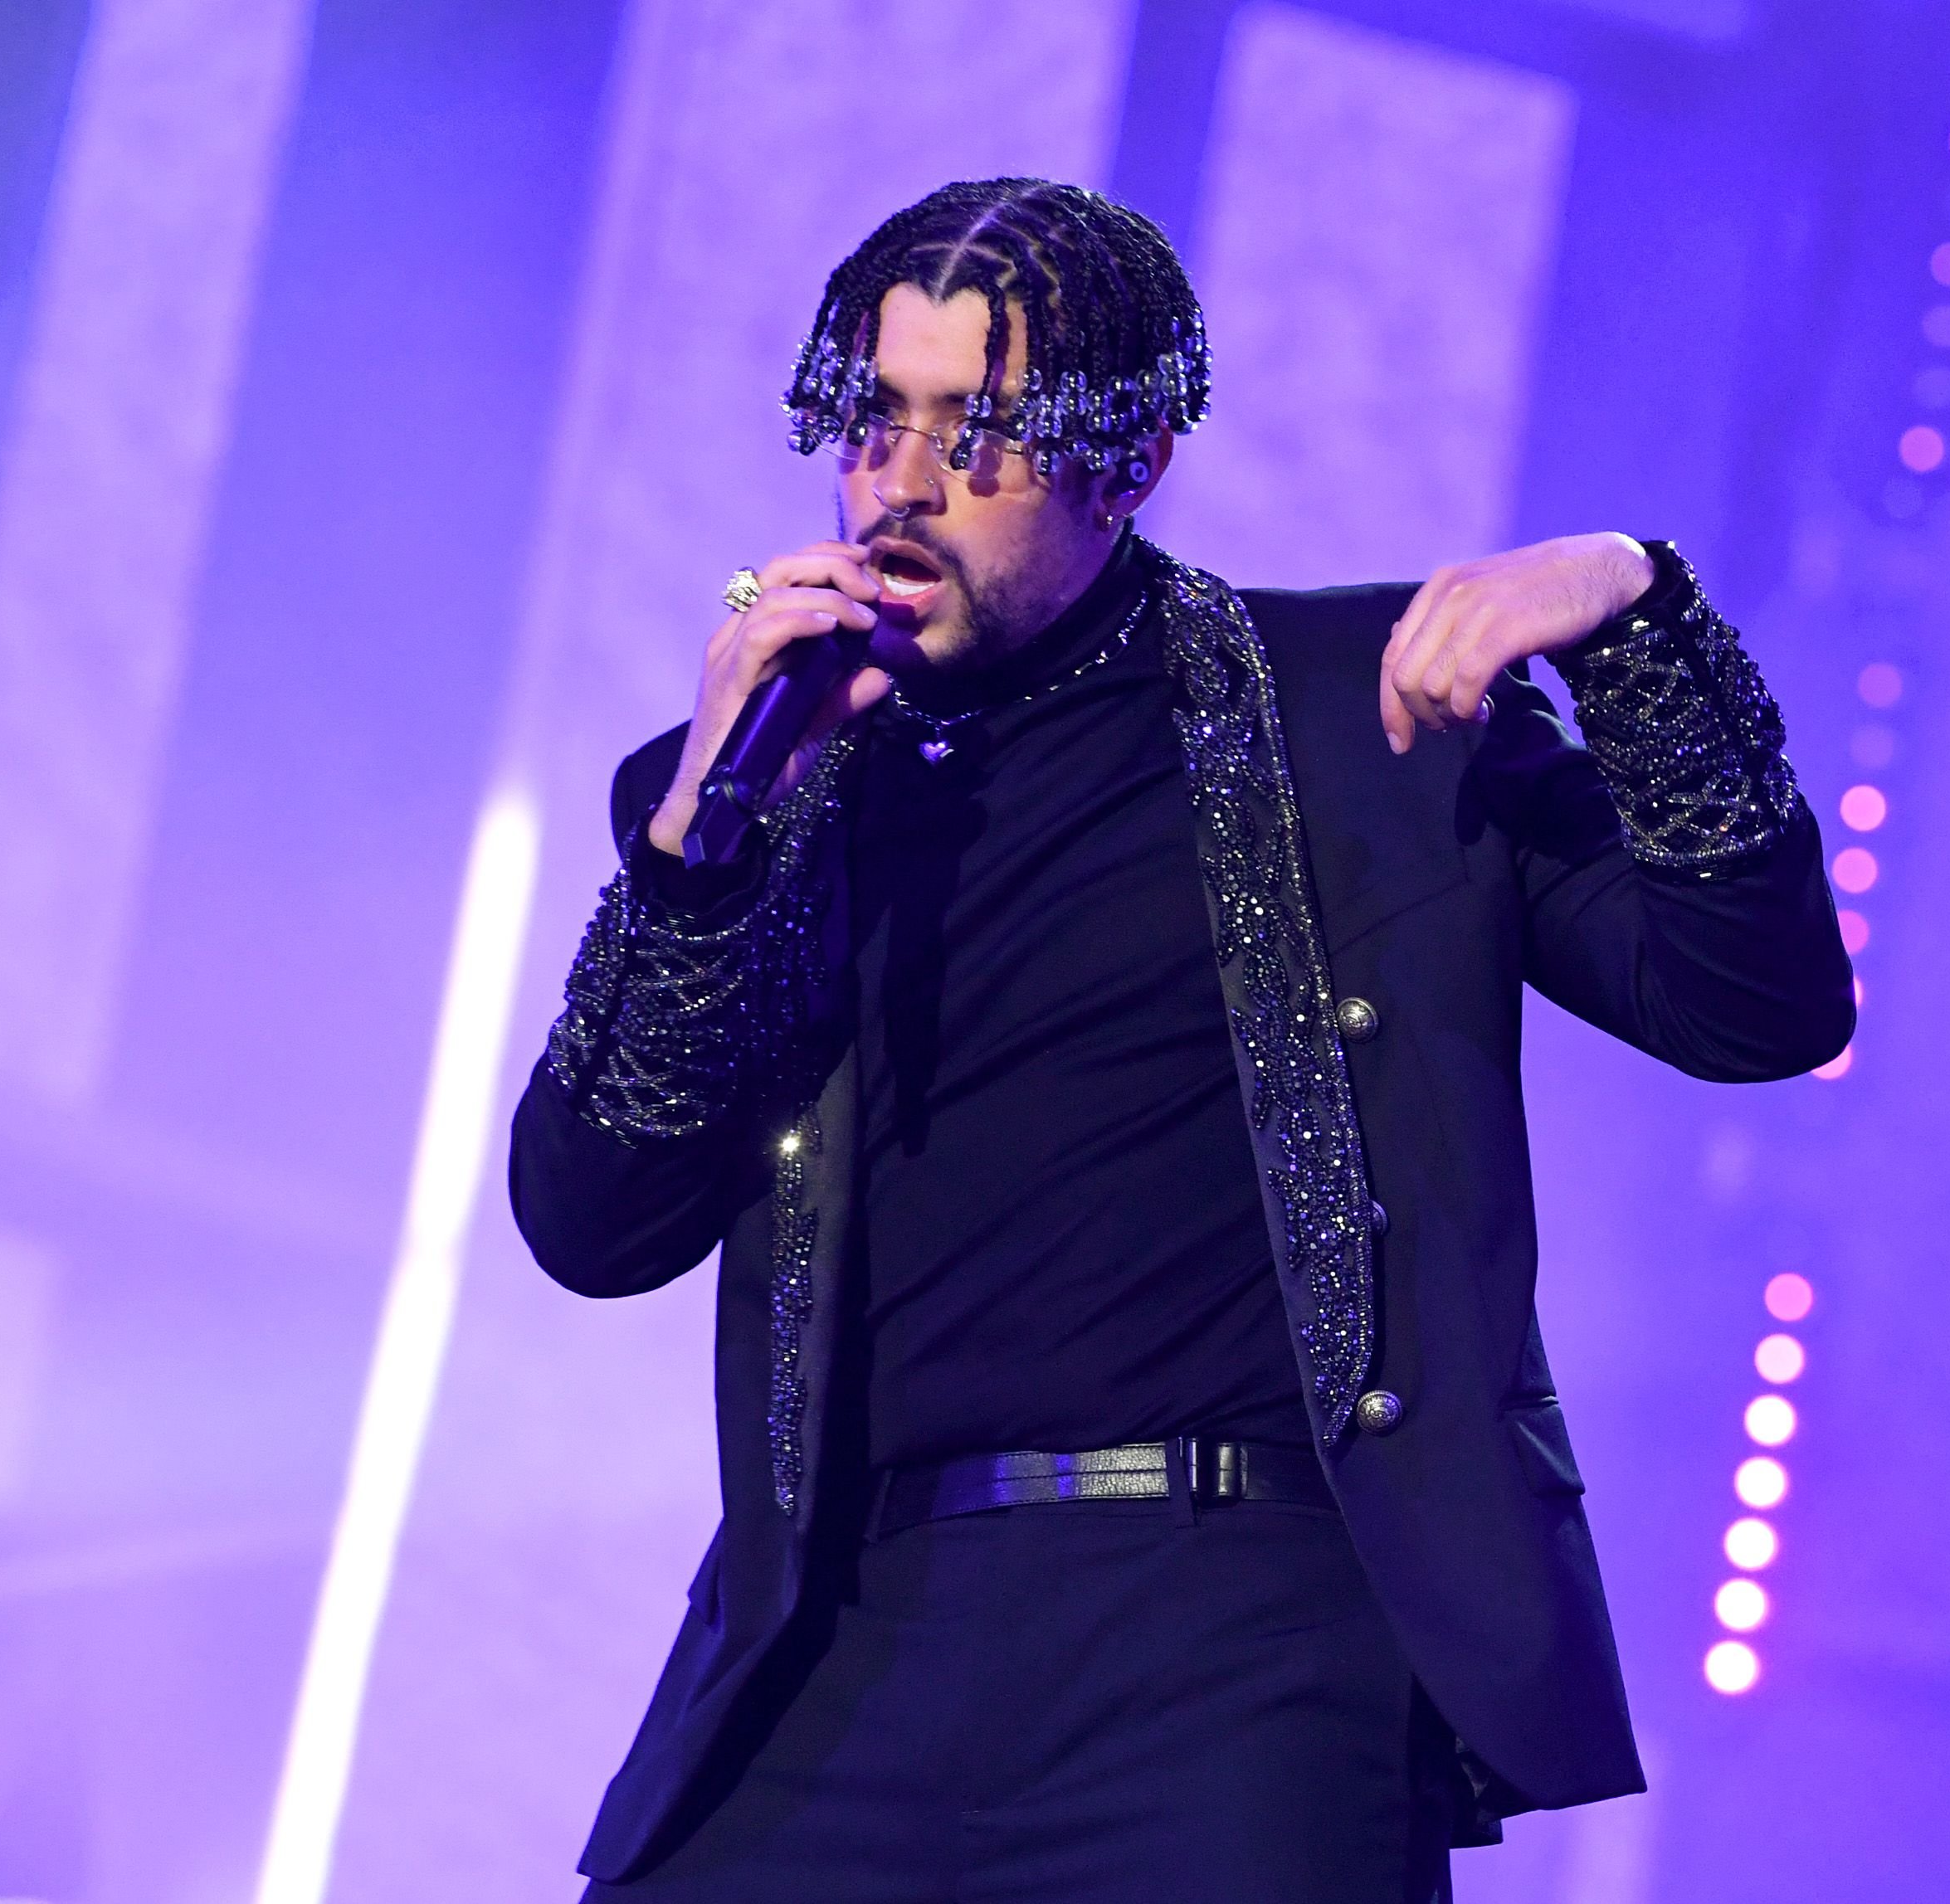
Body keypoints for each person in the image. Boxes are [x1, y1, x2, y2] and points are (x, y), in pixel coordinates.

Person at [509, 177, 1852, 1902]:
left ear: (1127, 459)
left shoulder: (1362, 716)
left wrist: (1635, 615)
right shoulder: (764, 793)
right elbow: (589, 1224)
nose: (898, 485)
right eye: (870, 420)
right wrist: (699, 844)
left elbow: (1755, 1004)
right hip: (850, 1625)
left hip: (1235, 1627)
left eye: (975, 433)